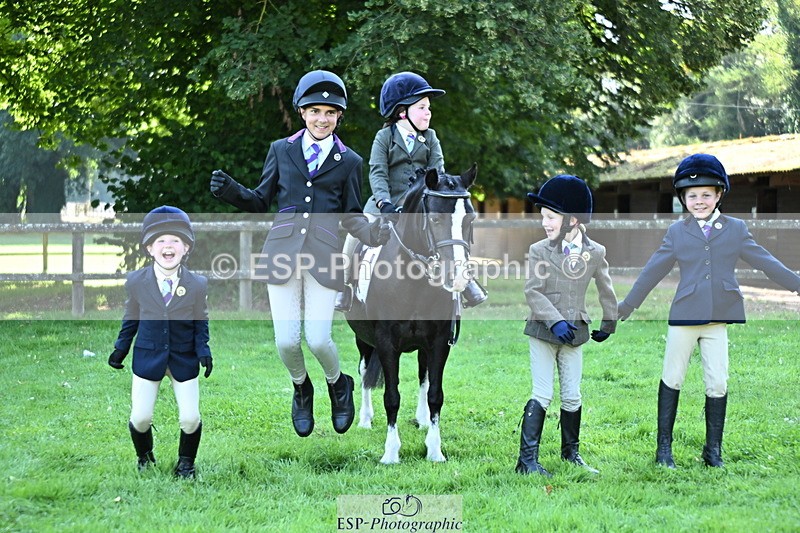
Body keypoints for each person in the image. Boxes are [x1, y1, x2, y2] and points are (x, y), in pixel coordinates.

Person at [209, 70, 389, 438]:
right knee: (286, 342)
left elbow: (353, 215)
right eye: (314, 111)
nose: (322, 119)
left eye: (330, 112)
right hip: (281, 254)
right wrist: (231, 191)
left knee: (319, 339)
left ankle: (339, 384)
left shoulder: (350, 161)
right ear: (302, 112)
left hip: (324, 259)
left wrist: (375, 232)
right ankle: (301, 388)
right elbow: (260, 200)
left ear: (339, 117)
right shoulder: (281, 150)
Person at [618, 153, 800, 469]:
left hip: (719, 316)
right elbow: (652, 271)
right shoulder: (676, 232)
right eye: (692, 196)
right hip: (685, 316)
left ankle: (712, 451)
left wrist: (796, 282)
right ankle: (664, 450)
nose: (699, 201)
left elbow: (765, 261)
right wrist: (627, 305)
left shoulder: (736, 229)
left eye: (706, 195)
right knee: (672, 377)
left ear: (718, 195)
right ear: (683, 199)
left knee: (717, 382)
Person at [335, 71, 487, 311]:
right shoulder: (384, 137)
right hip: (384, 205)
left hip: (420, 209)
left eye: (428, 108)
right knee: (353, 239)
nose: (429, 113)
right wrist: (385, 203)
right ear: (402, 111)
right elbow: (378, 173)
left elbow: (438, 172)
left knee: (448, 238)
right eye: (422, 107)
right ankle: (345, 288)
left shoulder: (431, 138)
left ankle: (464, 282)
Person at [517, 175, 617, 476]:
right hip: (543, 331)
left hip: (576, 333)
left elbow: (606, 288)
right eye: (543, 217)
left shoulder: (595, 251)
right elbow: (532, 290)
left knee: (572, 395)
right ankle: (527, 461)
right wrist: (555, 321)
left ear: (572, 220)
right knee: (543, 392)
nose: (544, 223)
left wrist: (609, 322)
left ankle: (571, 454)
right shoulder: (539, 250)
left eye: (550, 217)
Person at [108, 206, 212, 479]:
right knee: (140, 417)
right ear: (149, 248)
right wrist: (121, 349)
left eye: (175, 240)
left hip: (183, 356)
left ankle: (186, 463)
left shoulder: (197, 284)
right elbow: (131, 318)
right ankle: (145, 456)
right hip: (148, 355)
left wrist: (204, 350)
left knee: (190, 417)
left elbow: (201, 321)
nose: (168, 246)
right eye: (161, 241)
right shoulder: (137, 282)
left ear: (186, 247)